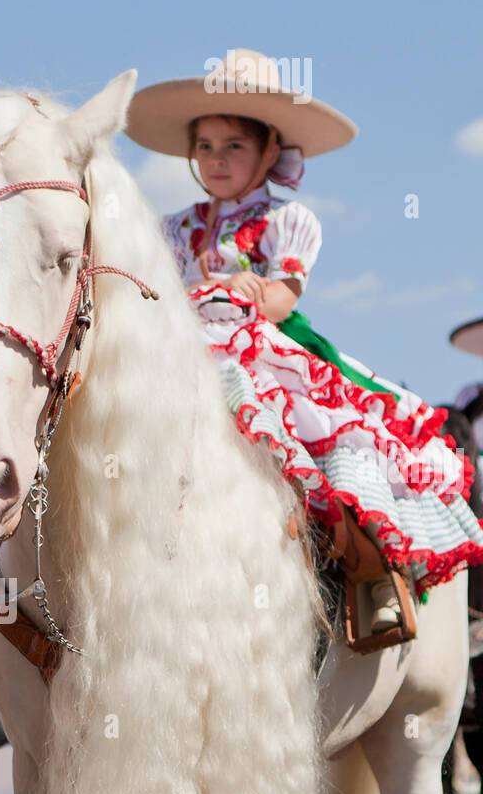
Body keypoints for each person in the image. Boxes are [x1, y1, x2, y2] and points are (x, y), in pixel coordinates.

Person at [125, 49, 483, 632]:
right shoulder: (171, 227)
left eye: (233, 145)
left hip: (259, 348)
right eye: (206, 146)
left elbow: (280, 300)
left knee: (336, 447)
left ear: (269, 150)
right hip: (176, 347)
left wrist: (238, 290)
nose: (216, 159)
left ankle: (373, 580)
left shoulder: (289, 221)